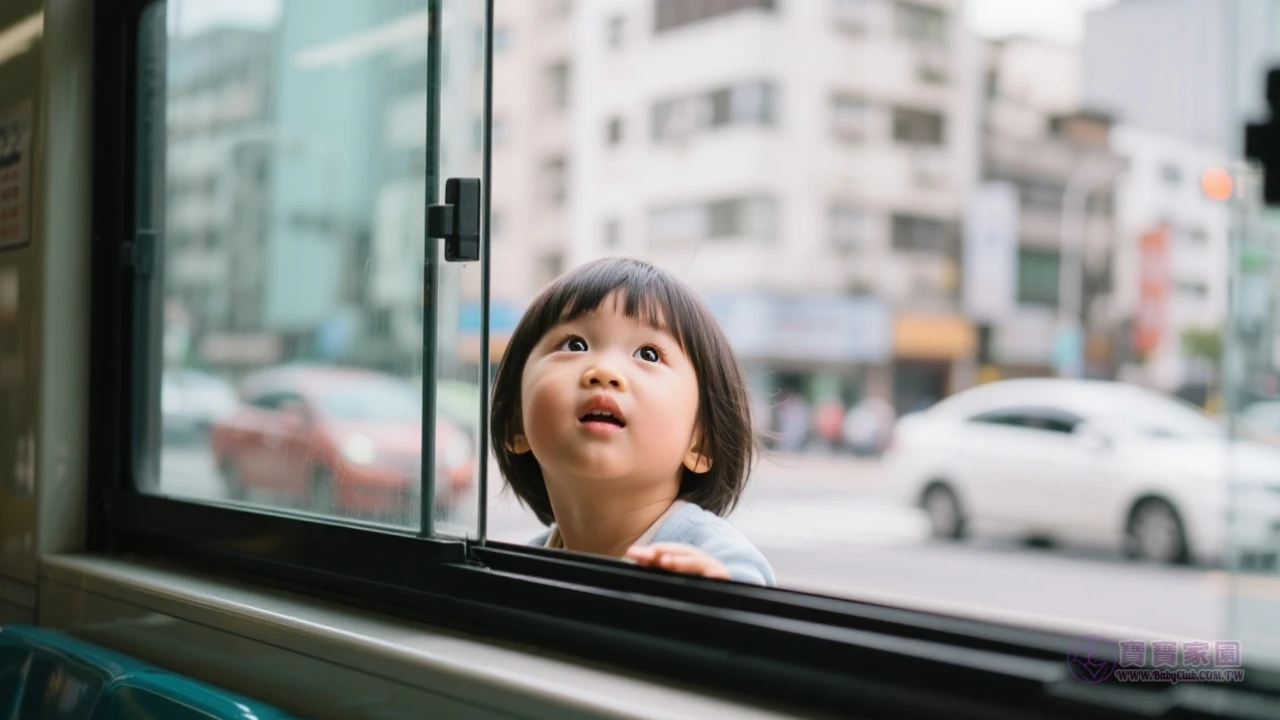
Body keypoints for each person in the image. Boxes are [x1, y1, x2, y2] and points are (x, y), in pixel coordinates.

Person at [490, 257, 776, 586]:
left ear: (702, 442)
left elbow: (754, 608)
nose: (605, 372)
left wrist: (718, 605)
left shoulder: (710, 558)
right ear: (515, 422)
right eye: (575, 344)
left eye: (649, 354)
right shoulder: (525, 568)